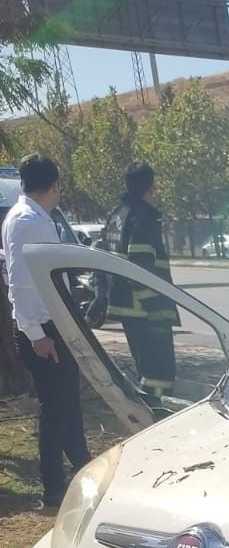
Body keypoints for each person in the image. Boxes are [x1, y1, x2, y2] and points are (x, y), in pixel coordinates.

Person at [1, 153, 90, 510]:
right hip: (42, 330)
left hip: (50, 325)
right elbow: (21, 285)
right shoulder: (26, 221)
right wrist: (37, 335)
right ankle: (53, 484)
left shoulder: (34, 218)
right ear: (54, 185)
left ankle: (82, 465)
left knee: (66, 402)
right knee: (55, 409)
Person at [101, 163, 179, 408]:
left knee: (145, 369)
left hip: (128, 309)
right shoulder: (142, 218)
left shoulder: (117, 215)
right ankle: (157, 413)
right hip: (148, 311)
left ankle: (149, 407)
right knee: (159, 371)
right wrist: (156, 308)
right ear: (150, 186)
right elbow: (141, 268)